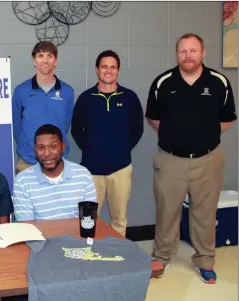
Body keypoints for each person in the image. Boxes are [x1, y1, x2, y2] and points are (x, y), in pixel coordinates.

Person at [145, 33, 237, 283]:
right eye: (183, 51)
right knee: (167, 212)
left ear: (203, 52)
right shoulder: (163, 82)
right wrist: (175, 134)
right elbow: (153, 117)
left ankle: (205, 260)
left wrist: (205, 133)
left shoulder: (219, 82)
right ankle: (161, 257)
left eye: (193, 50)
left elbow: (227, 118)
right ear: (177, 54)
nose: (188, 55)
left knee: (205, 214)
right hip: (170, 160)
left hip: (208, 160)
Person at [71, 50, 144, 237]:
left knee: (119, 219)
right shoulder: (86, 99)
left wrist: (121, 150)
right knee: (89, 219)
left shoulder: (130, 98)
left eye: (113, 67)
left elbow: (137, 129)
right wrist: (92, 150)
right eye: (104, 66)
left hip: (120, 170)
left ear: (118, 70)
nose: (108, 71)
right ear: (97, 70)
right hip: (91, 171)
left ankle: (116, 254)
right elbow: (76, 130)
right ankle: (89, 255)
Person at [12, 41, 74, 174]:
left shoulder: (67, 92)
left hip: (58, 162)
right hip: (28, 161)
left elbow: (65, 124)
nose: (45, 60)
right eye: (40, 56)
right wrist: (29, 146)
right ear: (34, 61)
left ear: (55, 61)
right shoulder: (21, 91)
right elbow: (17, 127)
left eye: (50, 56)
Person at [13, 124, 97, 221]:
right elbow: (27, 227)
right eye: (41, 148)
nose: (47, 153)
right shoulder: (23, 181)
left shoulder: (83, 175)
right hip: (40, 236)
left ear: (63, 147)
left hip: (76, 236)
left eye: (53, 147)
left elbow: (89, 219)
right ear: (35, 150)